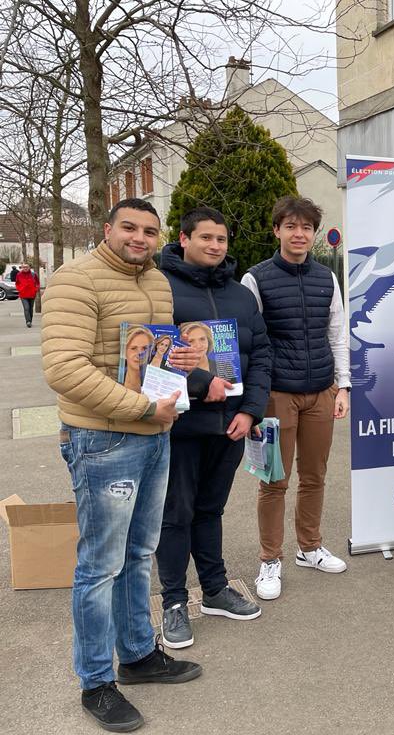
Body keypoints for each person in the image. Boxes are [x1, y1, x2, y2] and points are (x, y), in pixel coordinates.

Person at [41, 198, 202, 733]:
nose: (139, 238)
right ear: (107, 229)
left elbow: (153, 354)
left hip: (156, 434)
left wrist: (176, 364)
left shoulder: (156, 281)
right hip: (103, 440)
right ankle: (95, 682)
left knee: (139, 555)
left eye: (150, 231)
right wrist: (139, 406)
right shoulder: (75, 279)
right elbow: (64, 368)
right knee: (99, 566)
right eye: (129, 228)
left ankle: (136, 656)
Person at [155, 206, 272, 649]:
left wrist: (252, 411)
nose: (215, 246)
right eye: (205, 238)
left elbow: (261, 353)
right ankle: (172, 601)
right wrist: (204, 384)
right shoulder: (160, 287)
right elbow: (154, 351)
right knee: (176, 514)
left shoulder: (241, 295)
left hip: (231, 425)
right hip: (183, 424)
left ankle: (215, 590)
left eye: (221, 239)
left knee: (211, 510)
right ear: (183, 239)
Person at [241, 196, 351, 600]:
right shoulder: (256, 279)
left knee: (315, 476)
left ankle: (310, 547)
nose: (299, 234)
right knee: (274, 479)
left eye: (306, 227)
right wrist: (254, 397)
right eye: (291, 226)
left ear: (314, 233)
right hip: (276, 394)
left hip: (321, 390)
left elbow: (337, 333)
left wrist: (344, 387)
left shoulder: (327, 278)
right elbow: (249, 342)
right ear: (277, 231)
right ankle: (270, 558)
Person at [122, 325, 156, 393]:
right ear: (124, 350)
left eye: (144, 348)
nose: (140, 353)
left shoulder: (154, 377)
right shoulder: (115, 378)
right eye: (133, 348)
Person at [15, 263, 39, 327]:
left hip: (32, 294)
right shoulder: (19, 275)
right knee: (26, 308)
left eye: (26, 267)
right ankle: (28, 322)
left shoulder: (33, 274)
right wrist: (20, 289)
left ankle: (30, 320)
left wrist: (35, 289)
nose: (25, 268)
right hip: (23, 294)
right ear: (22, 268)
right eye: (24, 267)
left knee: (30, 308)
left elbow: (37, 283)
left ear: (29, 267)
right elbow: (17, 283)